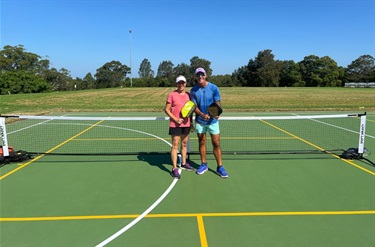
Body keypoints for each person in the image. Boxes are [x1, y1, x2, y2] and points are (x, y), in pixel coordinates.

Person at [190, 68, 229, 178]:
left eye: (202, 74)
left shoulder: (213, 88)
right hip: (200, 121)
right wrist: (202, 114)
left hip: (213, 122)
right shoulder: (193, 90)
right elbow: (194, 106)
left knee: (216, 143)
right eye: (198, 75)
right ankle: (203, 164)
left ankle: (220, 167)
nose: (200, 77)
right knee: (201, 142)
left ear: (205, 75)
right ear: (195, 77)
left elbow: (217, 103)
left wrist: (217, 113)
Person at [164, 75, 195, 178]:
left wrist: (190, 123)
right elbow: (167, 109)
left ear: (185, 84)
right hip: (175, 124)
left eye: (183, 83)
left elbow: (191, 108)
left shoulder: (188, 95)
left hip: (186, 124)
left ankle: (183, 163)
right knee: (175, 145)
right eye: (179, 83)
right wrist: (176, 119)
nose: (181, 84)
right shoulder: (172, 95)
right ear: (176, 84)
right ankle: (174, 168)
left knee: (185, 144)